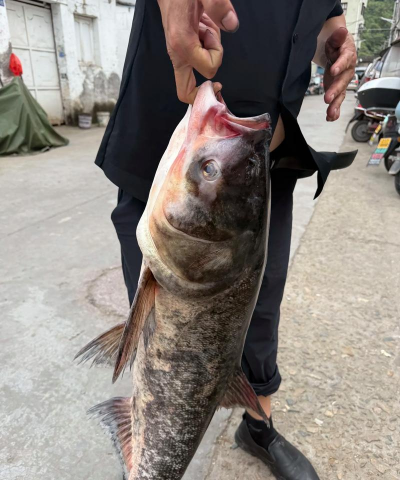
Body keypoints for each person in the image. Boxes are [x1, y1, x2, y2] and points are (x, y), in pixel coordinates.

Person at [95, 1, 357, 478]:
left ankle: (258, 425)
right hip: (174, 139)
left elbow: (323, 23)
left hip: (261, 170)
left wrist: (335, 43)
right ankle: (149, 441)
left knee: (263, 305)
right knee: (162, 334)